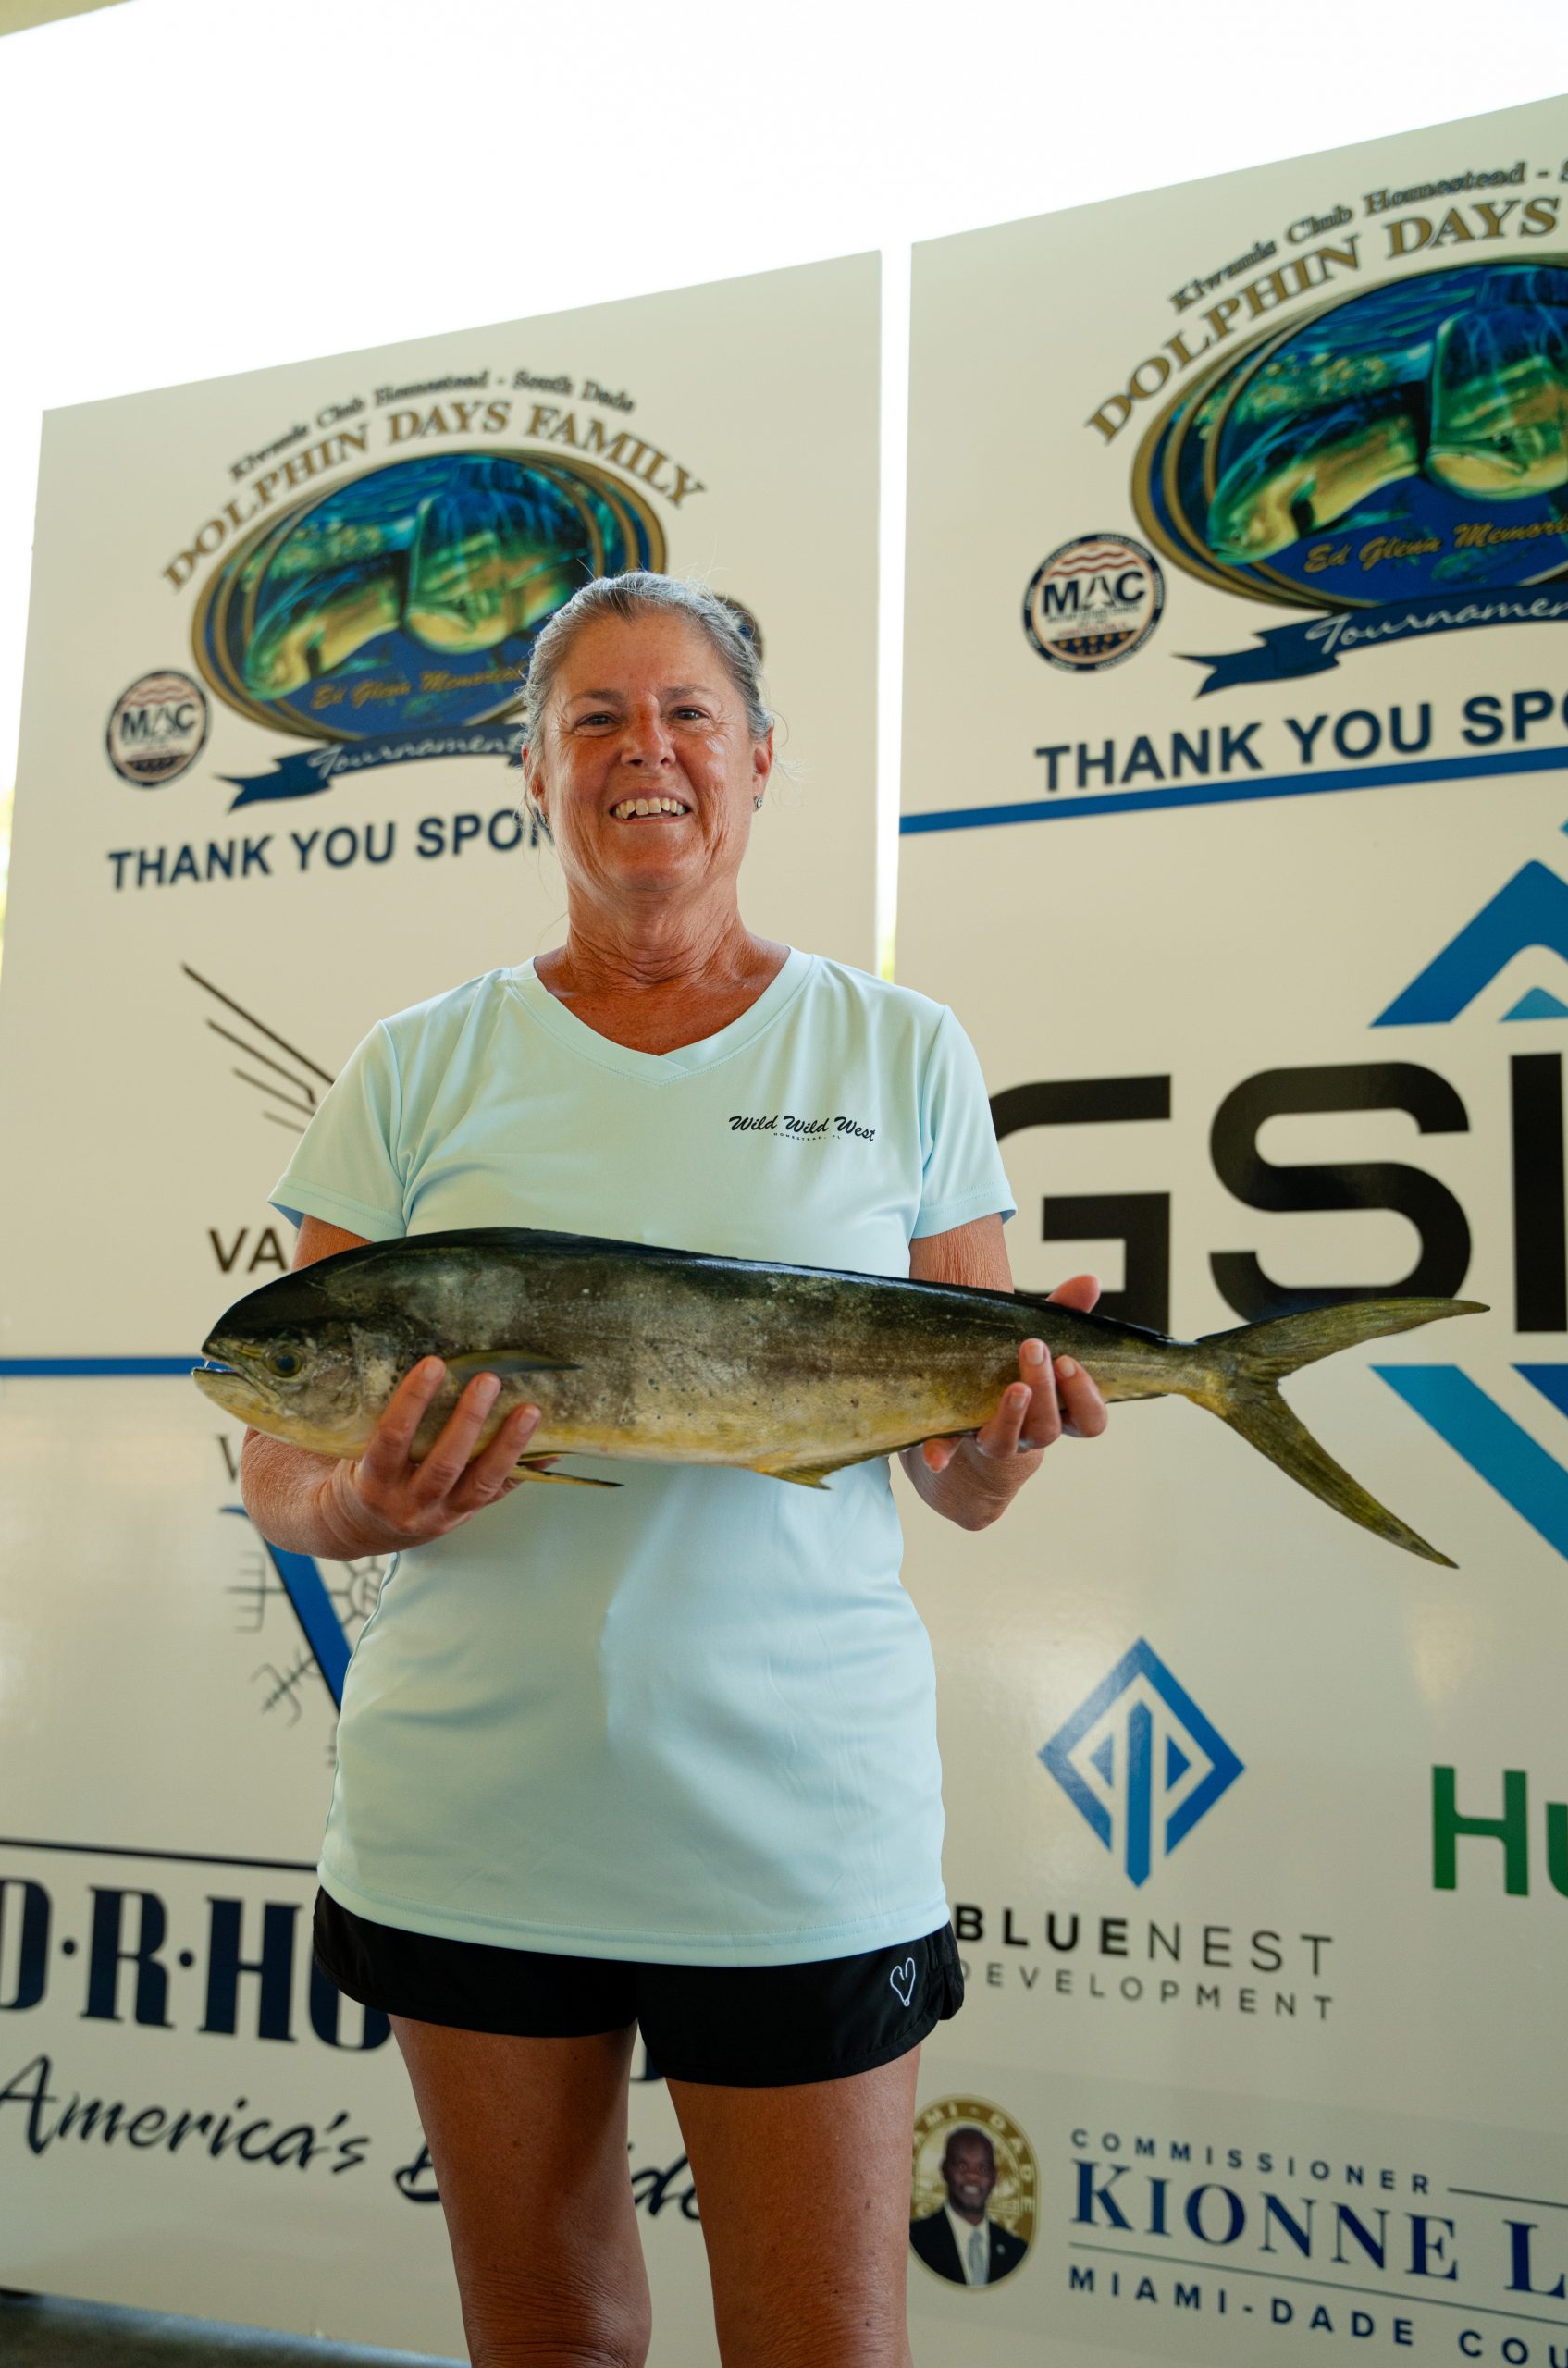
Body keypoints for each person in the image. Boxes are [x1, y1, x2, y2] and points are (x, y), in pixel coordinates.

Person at [238, 571, 1107, 2368]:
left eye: (688, 713)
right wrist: (364, 1505)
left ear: (759, 757)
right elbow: (277, 1468)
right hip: (470, 1821)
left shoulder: (897, 1045)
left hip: (796, 1823)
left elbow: (954, 1477)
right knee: (546, 2335)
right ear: (532, 769)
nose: (646, 751)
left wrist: (1001, 1452)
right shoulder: (414, 1067)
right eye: (596, 719)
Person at [907, 2127, 1027, 2287]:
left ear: (994, 2177)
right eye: (961, 2166)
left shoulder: (1016, 2250)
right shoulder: (915, 2239)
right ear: (944, 2170)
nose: (972, 2176)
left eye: (983, 2168)